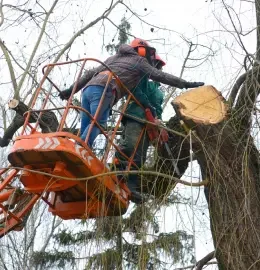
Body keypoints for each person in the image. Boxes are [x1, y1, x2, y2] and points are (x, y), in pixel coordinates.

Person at [59, 38, 204, 148]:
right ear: (141, 50)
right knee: (98, 124)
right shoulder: (139, 61)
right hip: (106, 90)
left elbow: (90, 72)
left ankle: (78, 148)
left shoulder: (113, 58)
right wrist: (185, 84)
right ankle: (79, 149)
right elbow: (161, 76)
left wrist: (71, 90)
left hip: (88, 90)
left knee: (86, 125)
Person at [114, 54, 166, 204]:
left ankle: (131, 186)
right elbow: (135, 91)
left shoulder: (159, 91)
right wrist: (148, 107)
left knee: (140, 157)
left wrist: (158, 121)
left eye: (160, 69)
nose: (159, 71)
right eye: (157, 67)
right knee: (130, 145)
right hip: (135, 116)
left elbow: (158, 108)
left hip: (149, 125)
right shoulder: (142, 80)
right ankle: (117, 170)